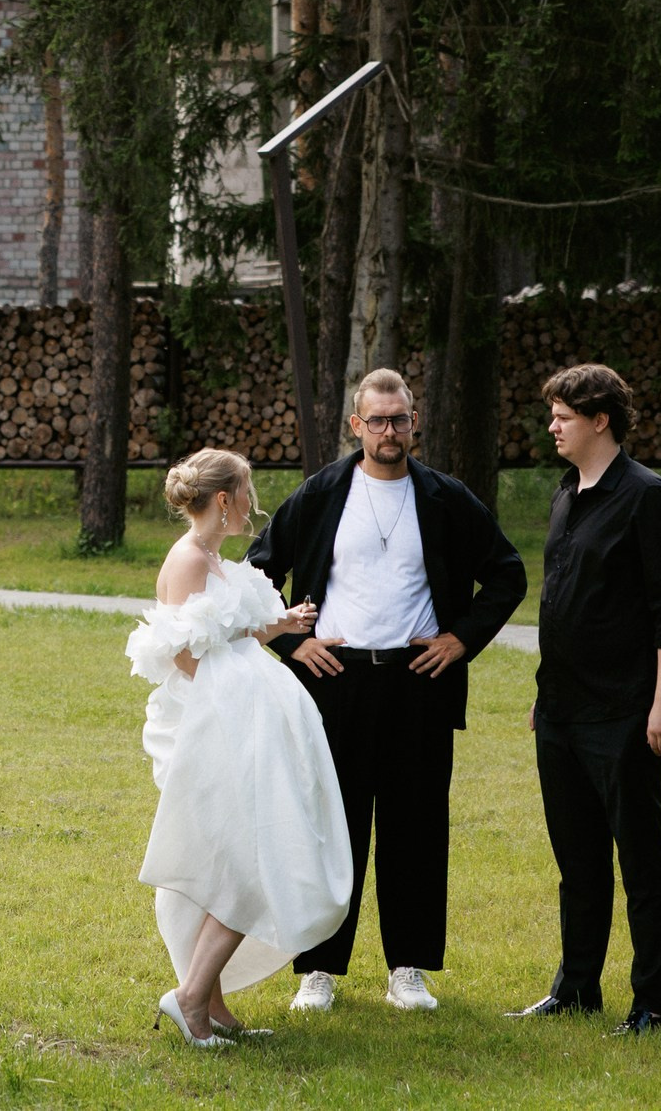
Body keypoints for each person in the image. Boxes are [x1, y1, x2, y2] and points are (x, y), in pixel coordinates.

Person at [247, 368, 528, 1014]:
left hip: (417, 680)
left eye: (399, 419)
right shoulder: (321, 495)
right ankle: (318, 969)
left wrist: (462, 639)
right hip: (335, 681)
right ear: (356, 425)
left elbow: (507, 573)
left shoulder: (445, 498)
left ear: (414, 422)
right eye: (377, 420)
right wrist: (293, 642)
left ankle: (408, 969)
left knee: (416, 828)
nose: (389, 431)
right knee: (330, 826)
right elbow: (258, 573)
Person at [127, 449, 353, 1048]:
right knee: (246, 862)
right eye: (247, 489)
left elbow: (222, 632)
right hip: (220, 731)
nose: (254, 501)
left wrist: (280, 626)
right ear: (224, 499)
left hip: (246, 721)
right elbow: (181, 654)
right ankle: (191, 999)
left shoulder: (210, 557)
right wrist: (234, 709)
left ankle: (213, 1003)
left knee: (233, 857)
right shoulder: (186, 561)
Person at [508, 364, 661, 1036]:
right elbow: (561, 603)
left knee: (640, 859)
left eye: (561, 415)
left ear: (599, 419)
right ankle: (577, 987)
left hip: (623, 712)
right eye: (552, 413)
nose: (551, 425)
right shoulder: (565, 491)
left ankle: (654, 1004)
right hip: (559, 711)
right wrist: (542, 694)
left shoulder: (647, 497)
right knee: (577, 860)